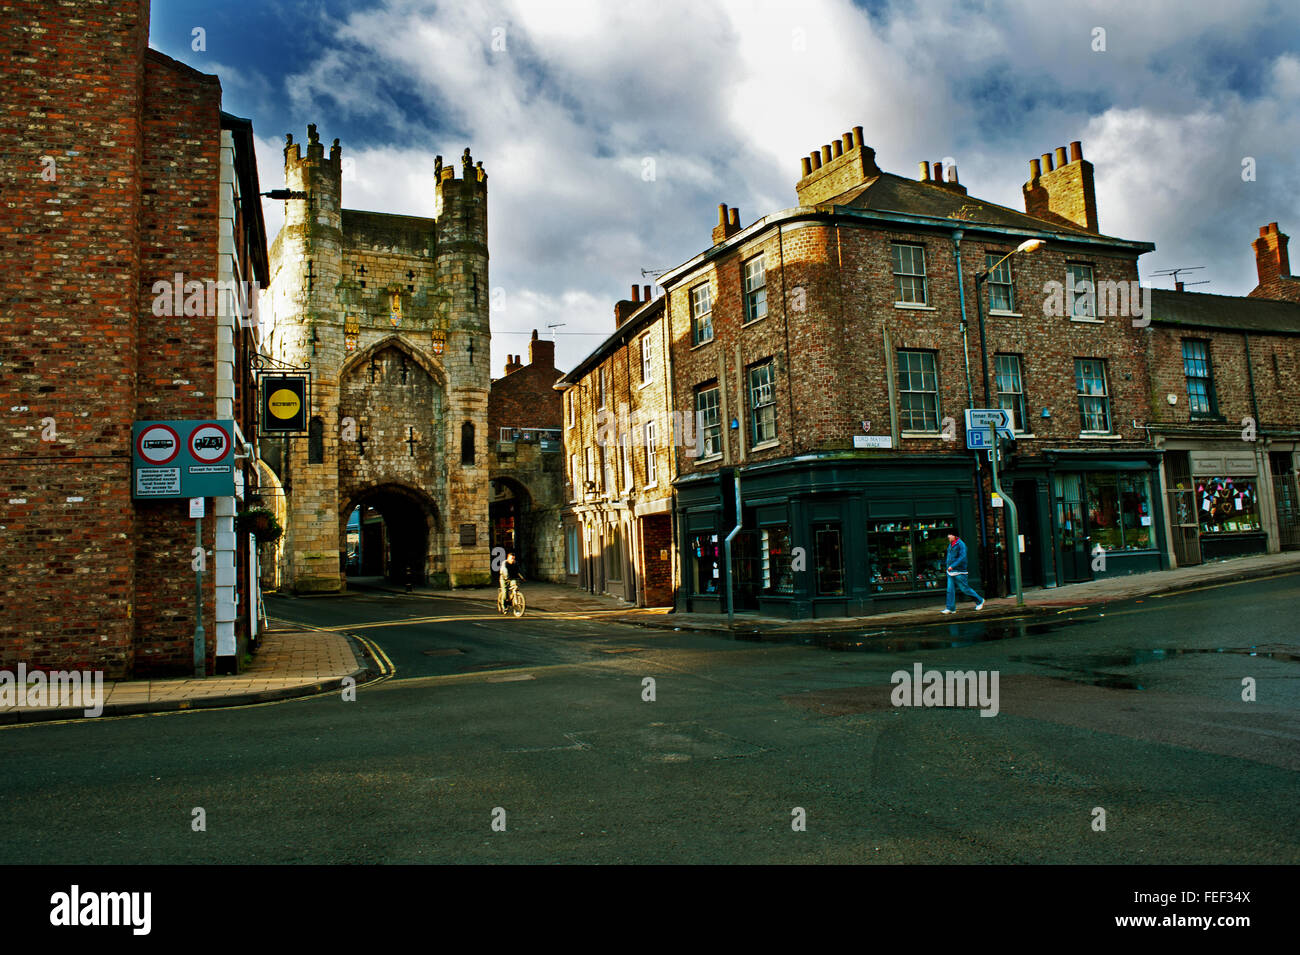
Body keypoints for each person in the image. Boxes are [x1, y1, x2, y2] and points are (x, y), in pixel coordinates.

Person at [942, 533, 984, 614]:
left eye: (950, 534)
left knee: (965, 589)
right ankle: (950, 608)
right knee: (950, 590)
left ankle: (980, 600)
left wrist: (953, 566)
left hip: (959, 571)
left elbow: (962, 557)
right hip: (950, 571)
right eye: (948, 534)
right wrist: (947, 566)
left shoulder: (961, 545)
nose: (948, 536)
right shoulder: (950, 544)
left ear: (955, 536)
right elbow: (949, 557)